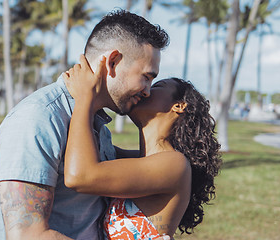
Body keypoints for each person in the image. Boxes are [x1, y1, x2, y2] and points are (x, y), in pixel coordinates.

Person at [0, 10, 169, 240]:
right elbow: (28, 235)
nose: (148, 91)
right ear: (113, 62)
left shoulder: (96, 124)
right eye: (146, 76)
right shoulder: (39, 118)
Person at [62, 55, 222, 239]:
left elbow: (80, 176)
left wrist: (85, 97)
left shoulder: (174, 164)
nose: (145, 91)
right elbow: (82, 151)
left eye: (157, 87)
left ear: (178, 106)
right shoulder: (138, 161)